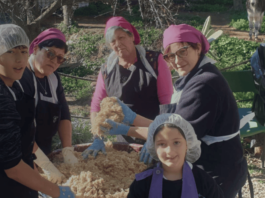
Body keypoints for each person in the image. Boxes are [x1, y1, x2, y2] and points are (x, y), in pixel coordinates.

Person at [101, 24, 247, 198]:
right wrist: (132, 117)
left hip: (217, 169)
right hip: (214, 163)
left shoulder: (204, 85)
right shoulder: (194, 76)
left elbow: (171, 135)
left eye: (182, 51)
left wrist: (127, 128)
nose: (176, 61)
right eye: (170, 56)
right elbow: (172, 125)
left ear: (198, 48)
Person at [0, 24, 75, 198]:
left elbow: (21, 135)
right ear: (37, 48)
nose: (19, 60)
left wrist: (67, 150)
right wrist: (56, 190)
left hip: (27, 169)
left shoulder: (14, 86)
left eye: (23, 51)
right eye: (11, 52)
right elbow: (12, 167)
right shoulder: (17, 84)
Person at [82, 16, 173, 159]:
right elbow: (96, 106)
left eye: (121, 37)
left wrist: (156, 139)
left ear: (131, 36)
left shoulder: (154, 61)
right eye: (113, 41)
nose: (117, 44)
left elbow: (167, 104)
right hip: (125, 140)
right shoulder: (107, 70)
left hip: (156, 135)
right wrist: (97, 136)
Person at [19, 28, 78, 183]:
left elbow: (64, 113)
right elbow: (22, 129)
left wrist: (67, 149)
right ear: (36, 48)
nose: (54, 61)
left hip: (44, 150)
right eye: (50, 54)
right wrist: (44, 164)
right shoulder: (21, 77)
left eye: (60, 59)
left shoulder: (53, 78)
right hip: (22, 155)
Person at [127, 114, 224, 198]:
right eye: (162, 144)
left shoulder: (203, 182)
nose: (170, 151)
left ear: (187, 144)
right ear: (153, 147)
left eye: (176, 142)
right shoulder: (143, 183)